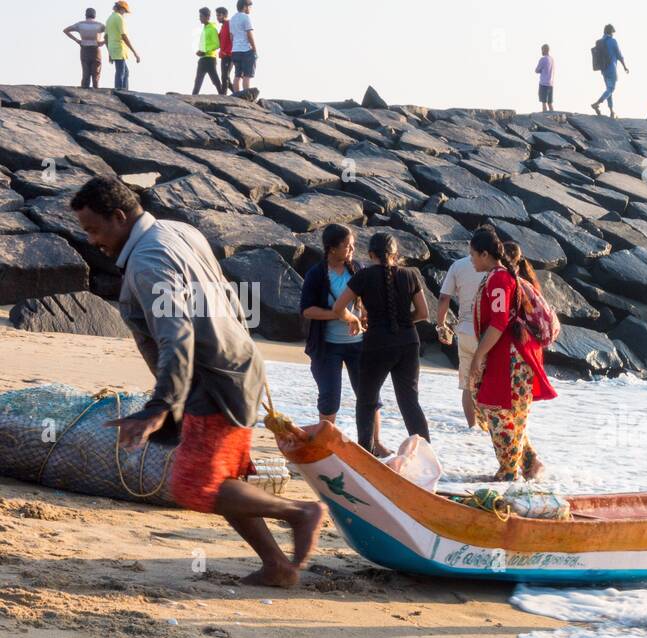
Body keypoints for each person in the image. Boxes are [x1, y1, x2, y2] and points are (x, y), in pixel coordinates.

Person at [69, 176, 323, 587]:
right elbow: (225, 293)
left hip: (211, 379)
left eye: (93, 229)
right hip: (237, 364)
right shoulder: (178, 230)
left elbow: (177, 336)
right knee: (221, 480)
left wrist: (160, 406)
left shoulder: (149, 262)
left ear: (118, 217)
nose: (92, 240)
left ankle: (300, 512)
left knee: (193, 485)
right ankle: (277, 565)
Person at [467, 231, 557, 482]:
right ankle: (528, 462)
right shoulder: (499, 277)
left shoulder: (498, 279)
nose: (471, 259)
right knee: (504, 411)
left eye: (473, 254)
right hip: (509, 355)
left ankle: (508, 473)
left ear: (485, 254)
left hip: (509, 358)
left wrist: (478, 356)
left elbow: (498, 323)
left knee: (500, 412)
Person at [330, 233, 431, 456]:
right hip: (408, 343)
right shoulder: (410, 274)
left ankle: (366, 454)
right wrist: (401, 321)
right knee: (409, 402)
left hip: (377, 343)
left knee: (366, 400)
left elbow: (338, 308)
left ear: (371, 254)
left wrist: (354, 319)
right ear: (396, 255)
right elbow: (423, 313)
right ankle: (426, 457)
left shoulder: (364, 276)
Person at [299, 224, 391, 454]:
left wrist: (365, 318)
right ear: (331, 248)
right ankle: (324, 446)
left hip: (358, 345)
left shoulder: (357, 269)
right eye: (346, 245)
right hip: (327, 346)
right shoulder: (317, 274)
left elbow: (367, 301)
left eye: (352, 244)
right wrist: (338, 314)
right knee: (330, 396)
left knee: (369, 394)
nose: (352, 248)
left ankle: (376, 443)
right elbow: (307, 310)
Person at [436, 251, 486, 429]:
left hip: (465, 330)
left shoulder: (458, 265)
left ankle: (472, 427)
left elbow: (444, 297)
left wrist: (441, 326)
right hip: (489, 333)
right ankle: (487, 429)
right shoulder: (497, 268)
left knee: (467, 383)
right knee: (489, 381)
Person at [590, 23, 628, 118]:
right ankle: (597, 103)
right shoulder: (613, 41)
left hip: (603, 69)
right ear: (611, 32)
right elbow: (619, 55)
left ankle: (611, 111)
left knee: (608, 90)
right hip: (611, 68)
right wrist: (625, 67)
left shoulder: (600, 41)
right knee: (611, 89)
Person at [64, 9, 106, 90]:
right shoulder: (99, 25)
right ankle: (96, 92)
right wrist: (103, 42)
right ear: (95, 15)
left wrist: (77, 40)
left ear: (86, 15)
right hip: (95, 49)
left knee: (86, 73)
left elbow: (66, 30)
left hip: (84, 49)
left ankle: (83, 92)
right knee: (96, 73)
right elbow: (110, 33)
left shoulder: (80, 24)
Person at [104, 2, 140, 92]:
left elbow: (105, 37)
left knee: (125, 72)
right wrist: (135, 52)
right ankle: (120, 91)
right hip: (119, 48)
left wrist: (109, 52)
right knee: (121, 71)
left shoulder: (109, 18)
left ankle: (123, 90)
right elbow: (123, 35)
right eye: (125, 11)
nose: (125, 13)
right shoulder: (119, 18)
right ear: (121, 9)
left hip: (113, 48)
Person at [229, 0, 257, 96]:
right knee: (247, 75)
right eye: (250, 6)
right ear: (245, 6)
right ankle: (246, 98)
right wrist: (254, 48)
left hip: (235, 50)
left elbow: (231, 37)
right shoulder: (246, 17)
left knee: (237, 75)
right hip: (246, 50)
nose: (250, 9)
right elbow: (249, 34)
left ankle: (236, 96)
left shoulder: (232, 19)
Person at [193, 7, 222, 95]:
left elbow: (217, 44)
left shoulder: (212, 29)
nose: (200, 18)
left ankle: (223, 96)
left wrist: (204, 51)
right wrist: (200, 51)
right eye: (200, 16)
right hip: (202, 59)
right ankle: (193, 98)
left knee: (216, 81)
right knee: (197, 81)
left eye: (201, 16)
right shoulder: (205, 29)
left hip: (210, 59)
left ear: (207, 17)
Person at [216, 7, 233, 95]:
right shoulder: (222, 27)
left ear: (225, 15)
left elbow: (233, 38)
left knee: (225, 77)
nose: (217, 17)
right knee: (226, 78)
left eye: (219, 15)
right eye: (217, 15)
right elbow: (218, 40)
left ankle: (223, 96)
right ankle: (238, 94)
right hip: (223, 56)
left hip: (229, 55)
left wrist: (229, 52)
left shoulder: (229, 24)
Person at [535, 43, 555, 111]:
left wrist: (541, 71)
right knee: (550, 103)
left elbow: (537, 70)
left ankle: (544, 117)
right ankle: (553, 117)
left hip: (543, 83)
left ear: (545, 50)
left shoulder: (543, 59)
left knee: (544, 102)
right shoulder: (552, 59)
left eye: (542, 50)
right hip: (551, 84)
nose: (541, 52)